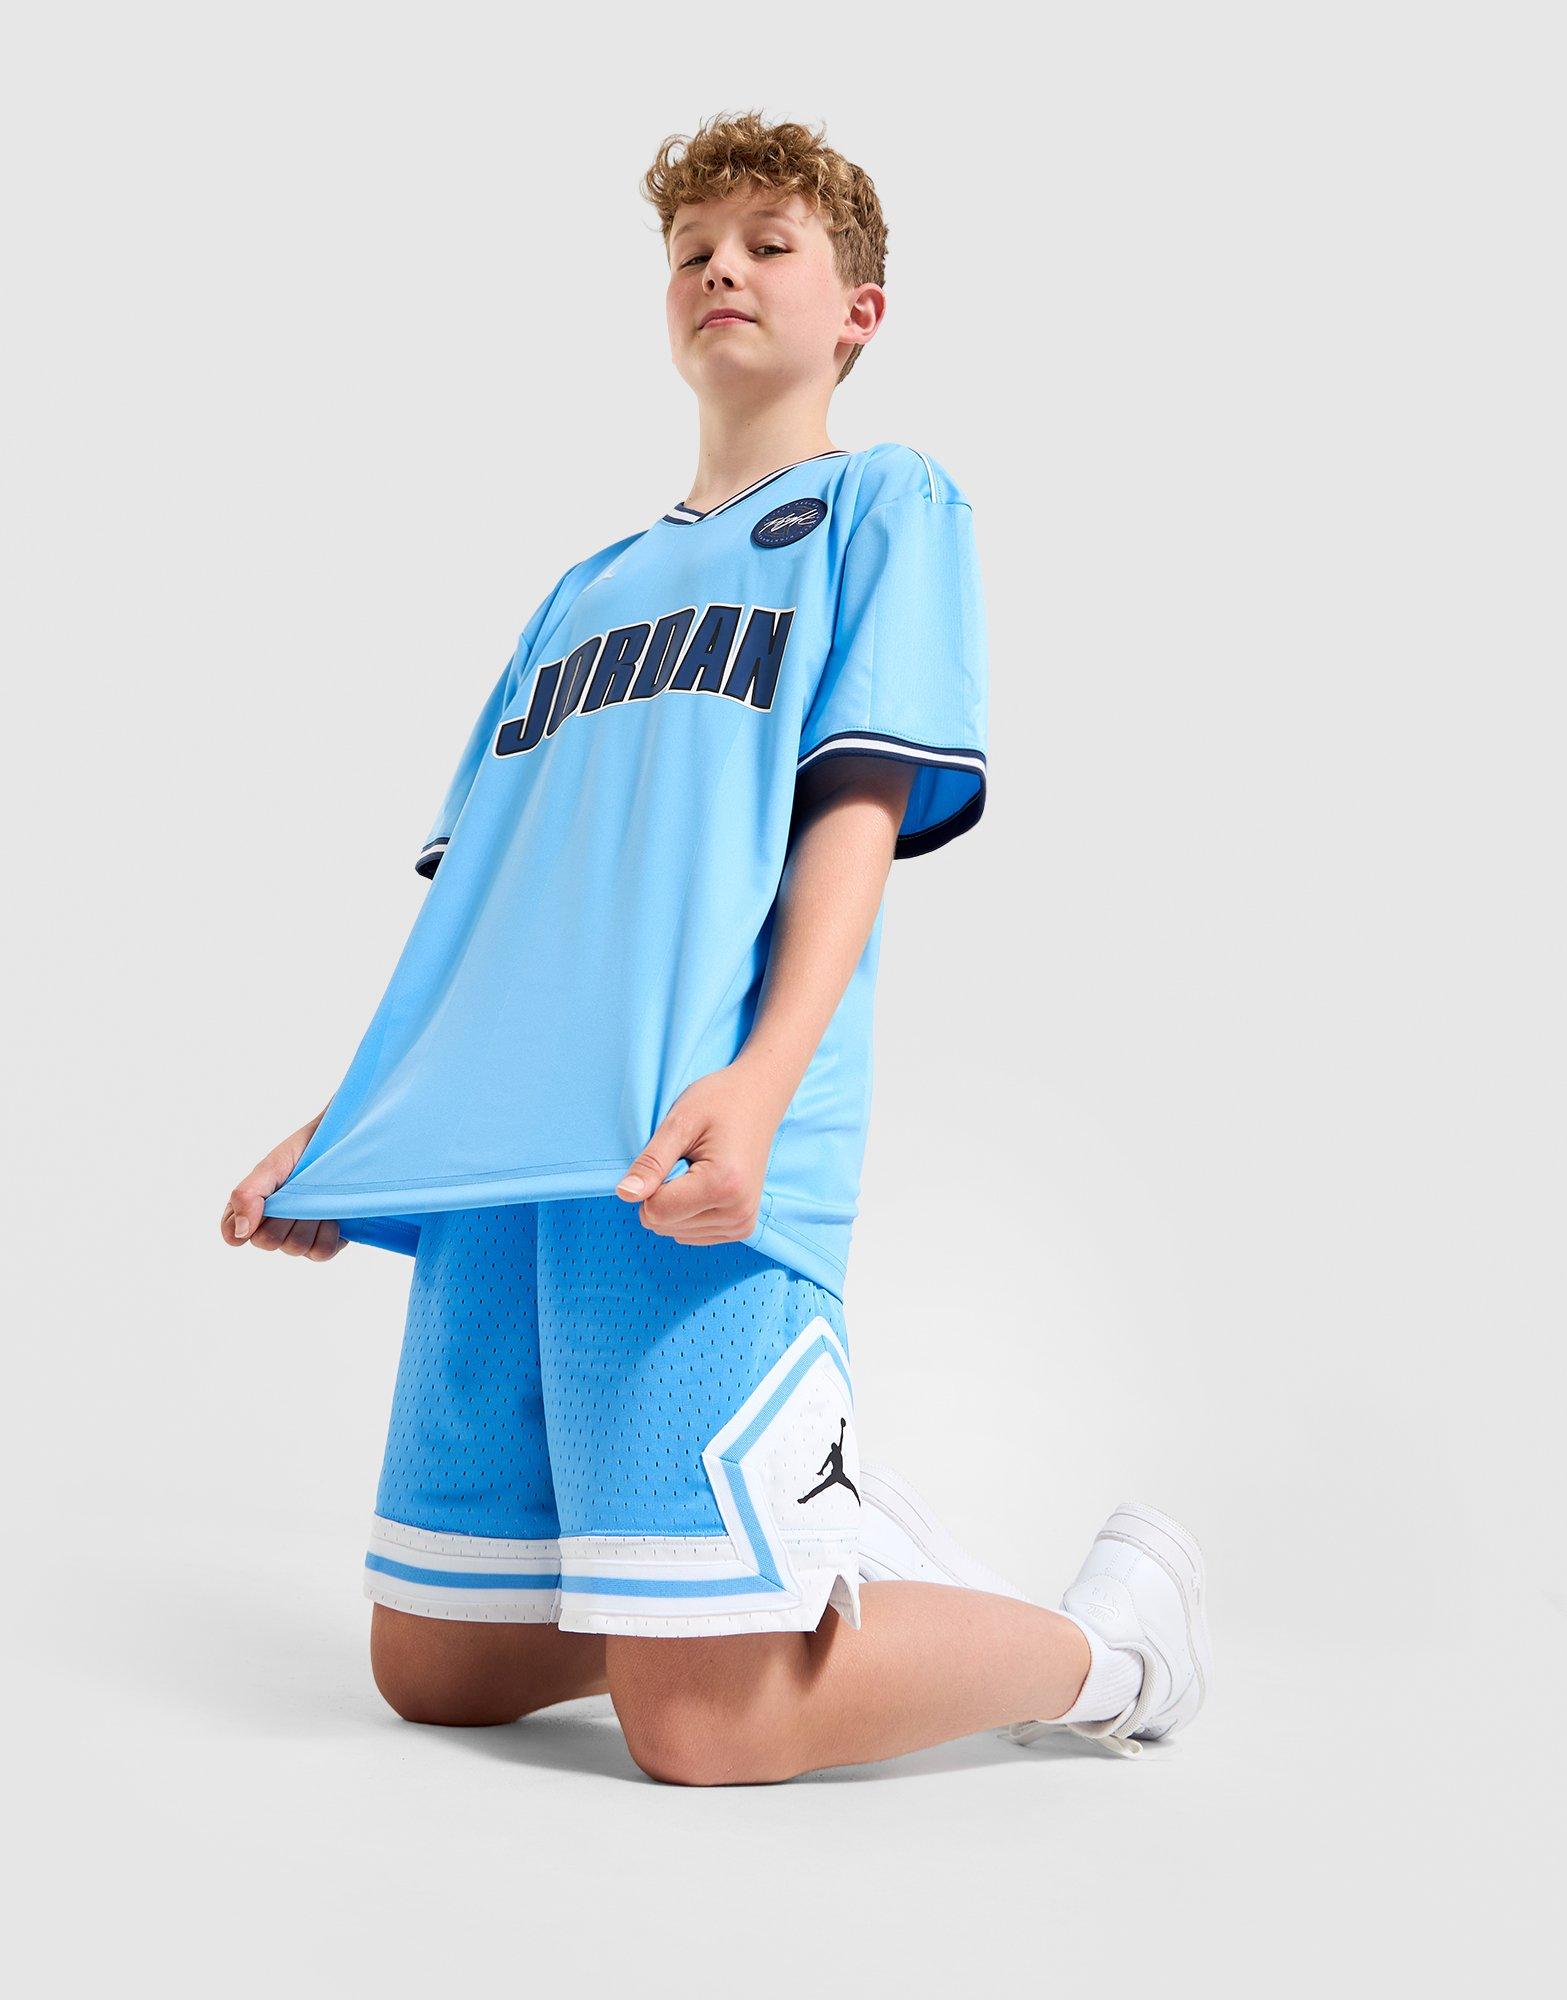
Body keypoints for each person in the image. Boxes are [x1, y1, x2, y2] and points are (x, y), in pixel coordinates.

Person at [222, 111, 1209, 1783]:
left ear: (859, 312)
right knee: (436, 1668)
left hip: (692, 1143)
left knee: (699, 1730)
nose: (720, 270)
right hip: (509, 1175)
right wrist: (357, 1125)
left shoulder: (881, 503)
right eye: (691, 251)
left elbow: (853, 817)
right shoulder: (581, 592)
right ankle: (786, 1564)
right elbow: (489, 905)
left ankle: (1112, 1651)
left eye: (768, 244)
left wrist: (762, 1079)